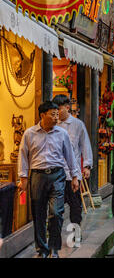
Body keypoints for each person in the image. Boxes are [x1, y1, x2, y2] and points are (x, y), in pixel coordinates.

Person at [17, 101, 80, 258]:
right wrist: (23, 178)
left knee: (56, 213)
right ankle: (42, 250)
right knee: (38, 214)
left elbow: (70, 156)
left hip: (57, 176)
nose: (56, 117)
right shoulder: (29, 133)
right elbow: (23, 156)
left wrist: (74, 176)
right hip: (37, 176)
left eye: (57, 114)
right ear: (42, 115)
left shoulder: (62, 134)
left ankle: (54, 248)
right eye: (53, 114)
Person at [53, 94, 93, 232]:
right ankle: (53, 234)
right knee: (55, 208)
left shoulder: (78, 124)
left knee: (75, 207)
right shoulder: (53, 124)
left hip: (72, 175)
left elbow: (85, 145)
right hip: (56, 174)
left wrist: (87, 165)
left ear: (67, 108)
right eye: (55, 109)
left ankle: (75, 235)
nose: (57, 112)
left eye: (59, 109)